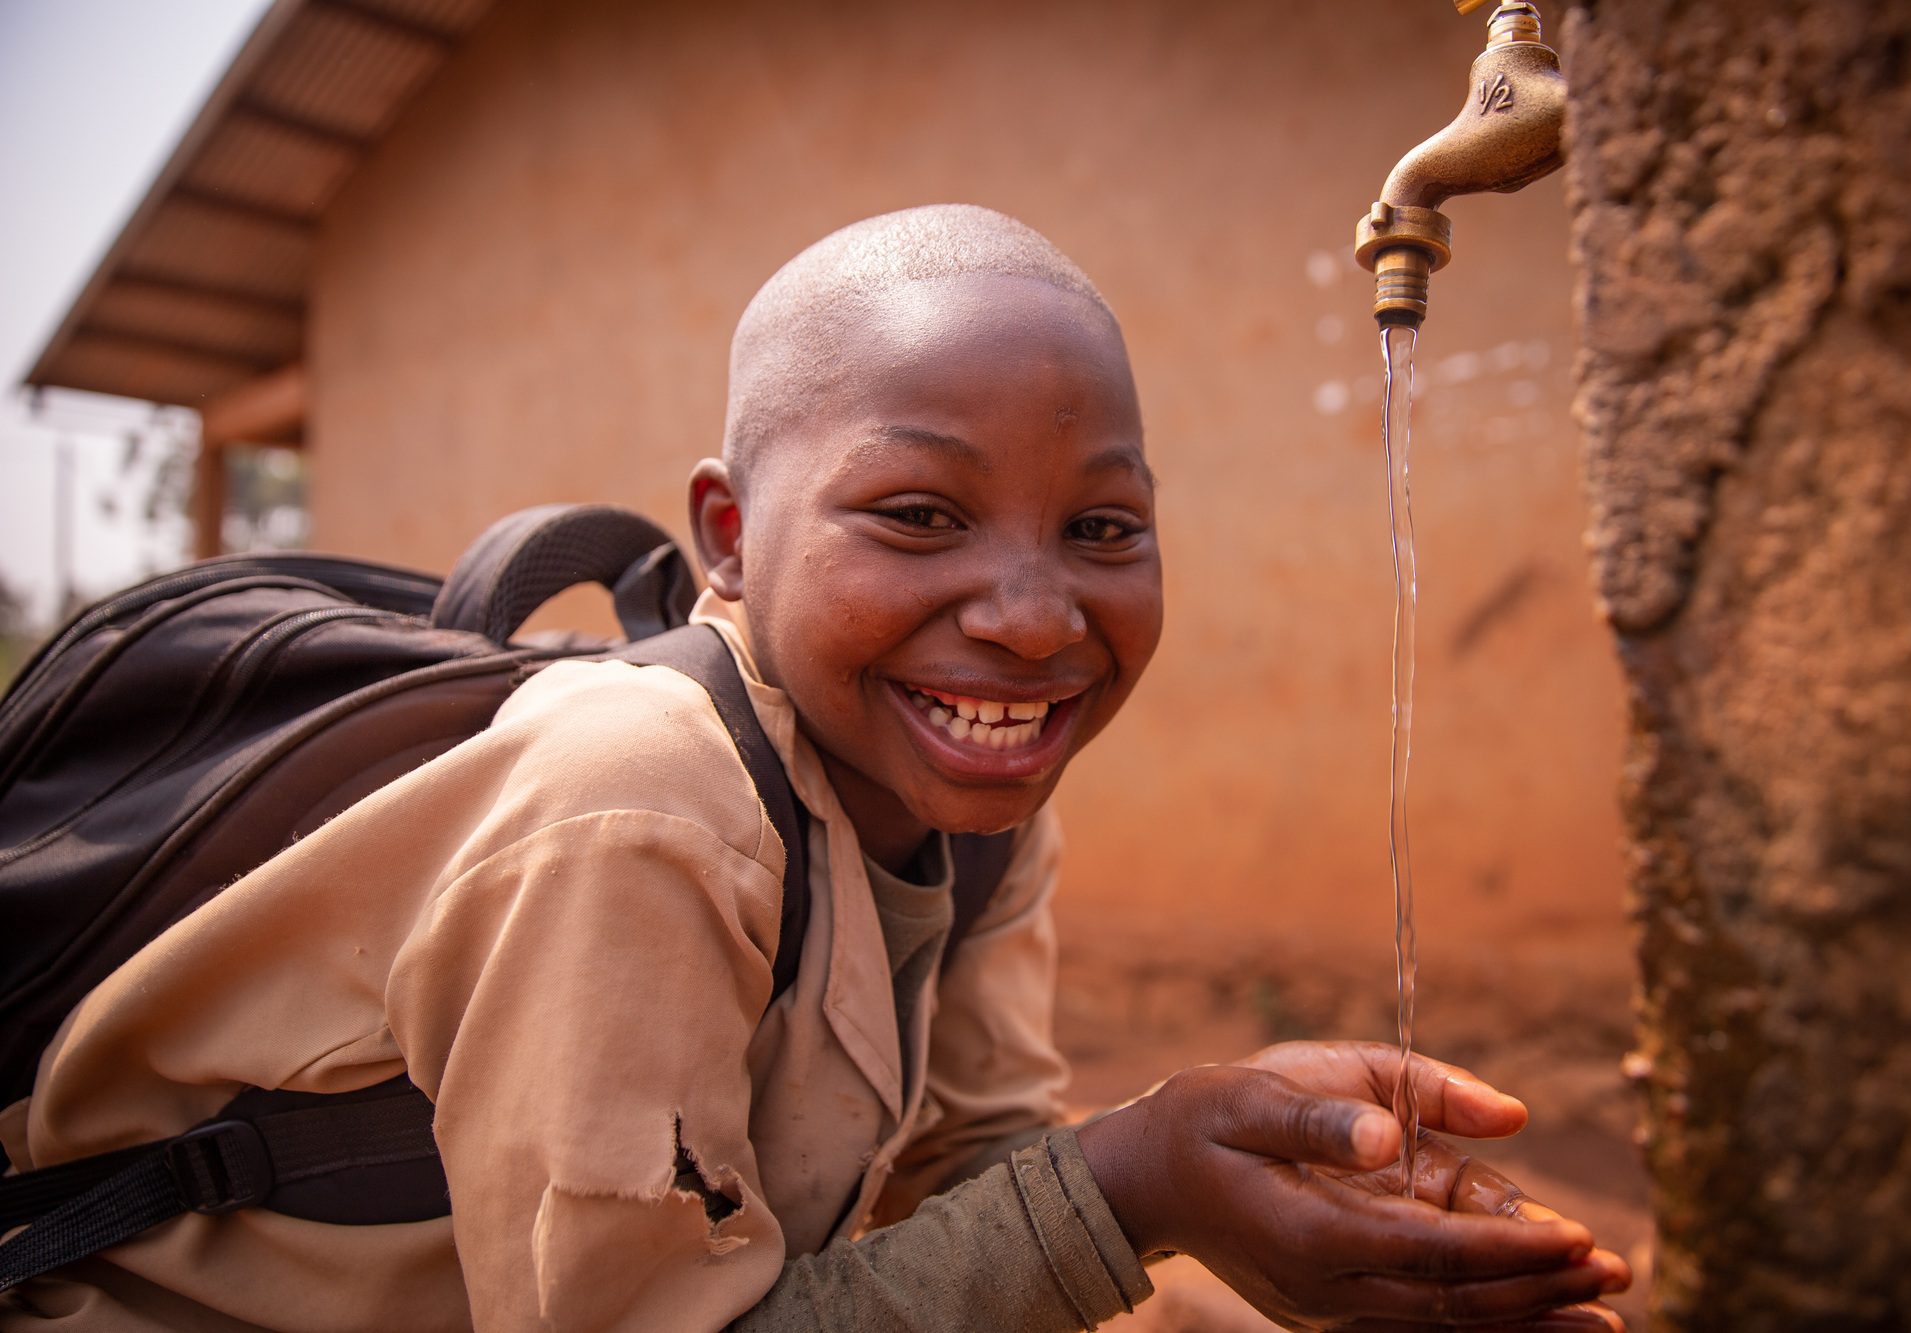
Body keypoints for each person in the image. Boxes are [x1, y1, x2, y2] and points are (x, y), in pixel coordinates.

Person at [1, 205, 1629, 1331]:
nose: (1033, 614)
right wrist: (1137, 1186)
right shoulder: (642, 803)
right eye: (919, 514)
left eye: (1103, 526)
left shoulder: (968, 800)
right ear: (728, 534)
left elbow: (979, 1169)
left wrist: (1231, 1188)